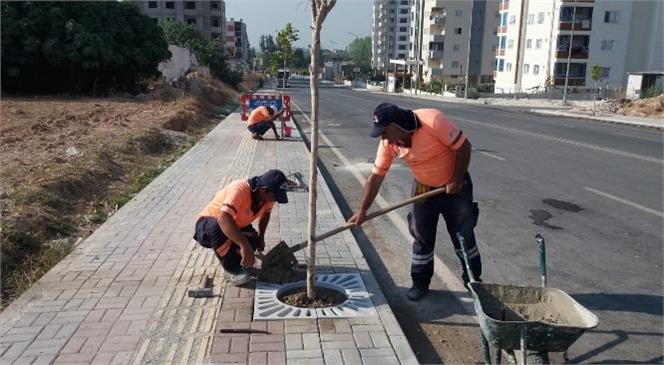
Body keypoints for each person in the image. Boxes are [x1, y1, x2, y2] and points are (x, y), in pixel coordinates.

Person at [348, 103, 481, 301]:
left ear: (396, 125)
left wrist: (456, 179)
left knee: (463, 235)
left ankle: (473, 280)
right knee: (421, 236)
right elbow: (376, 176)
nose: (383, 138)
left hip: (455, 187)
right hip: (424, 189)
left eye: (384, 132)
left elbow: (464, 147)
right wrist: (362, 210)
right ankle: (420, 282)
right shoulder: (389, 143)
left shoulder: (432, 120)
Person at [193, 169, 294, 286]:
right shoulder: (239, 189)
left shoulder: (267, 196)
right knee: (220, 229)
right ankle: (231, 270)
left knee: (254, 241)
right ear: (263, 190)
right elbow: (223, 219)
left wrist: (261, 237)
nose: (275, 200)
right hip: (208, 226)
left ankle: (235, 260)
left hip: (234, 225)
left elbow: (266, 214)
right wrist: (243, 245)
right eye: (274, 196)